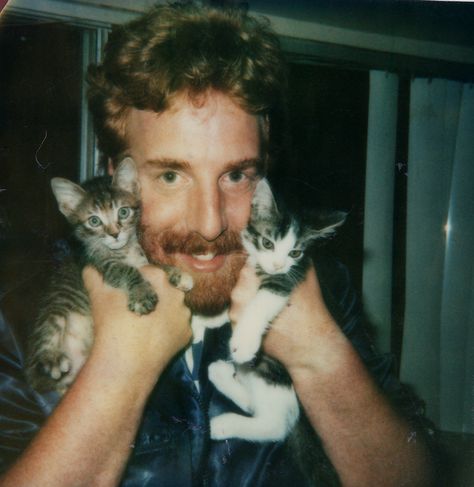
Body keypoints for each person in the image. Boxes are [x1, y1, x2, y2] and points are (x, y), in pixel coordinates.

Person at [0, 3, 436, 486]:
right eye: (170, 175)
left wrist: (319, 353)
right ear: (115, 177)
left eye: (235, 174)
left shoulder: (321, 289)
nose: (209, 224)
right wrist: (118, 370)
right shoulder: (21, 315)